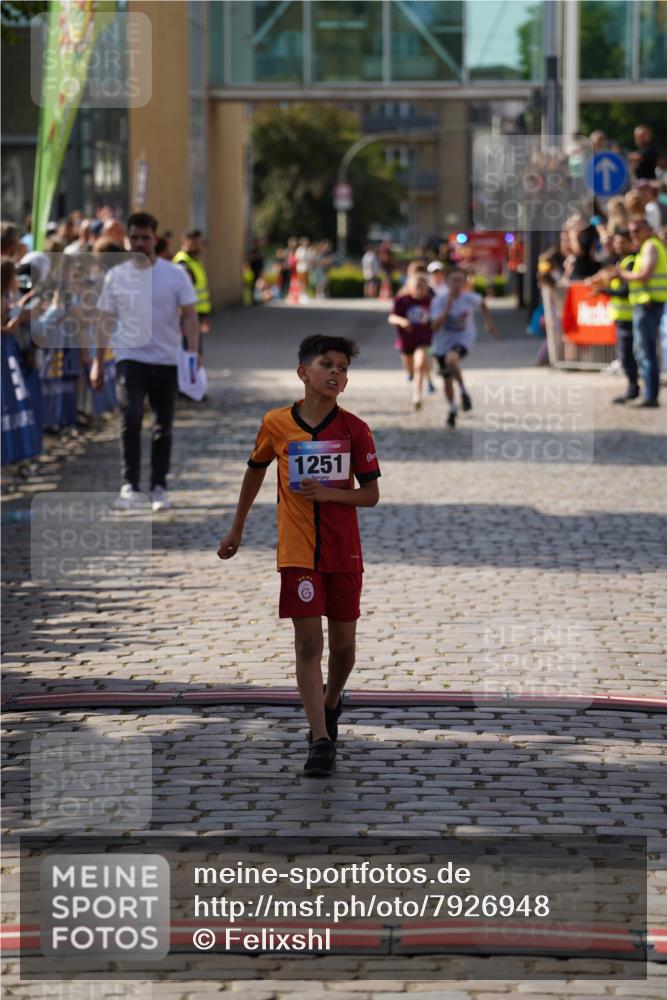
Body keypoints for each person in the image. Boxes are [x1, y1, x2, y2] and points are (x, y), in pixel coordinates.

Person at [216, 334, 381, 777]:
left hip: (344, 552)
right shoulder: (275, 423)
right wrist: (237, 526)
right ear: (303, 372)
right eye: (327, 364)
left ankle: (330, 703)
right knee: (309, 644)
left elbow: (371, 495)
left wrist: (329, 493)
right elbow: (255, 470)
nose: (336, 373)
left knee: (344, 651)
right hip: (297, 552)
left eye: (343, 368)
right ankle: (320, 740)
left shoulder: (355, 429)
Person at [92, 211, 200, 510]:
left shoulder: (175, 274)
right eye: (135, 237)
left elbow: (190, 315)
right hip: (130, 357)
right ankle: (130, 486)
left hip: (166, 359)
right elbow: (104, 320)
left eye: (145, 237)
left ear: (156, 239)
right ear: (128, 239)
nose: (140, 242)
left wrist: (192, 352)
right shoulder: (116, 275)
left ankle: (159, 487)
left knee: (162, 426)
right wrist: (98, 362)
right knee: (130, 420)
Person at [431, 267, 500, 428]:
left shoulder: (469, 298)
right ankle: (452, 409)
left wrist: (488, 322)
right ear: (447, 282)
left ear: (464, 283)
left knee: (451, 360)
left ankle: (463, 392)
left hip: (463, 340)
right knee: (447, 380)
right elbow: (434, 326)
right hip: (441, 344)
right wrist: (446, 311)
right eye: (453, 280)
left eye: (459, 281)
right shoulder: (439, 301)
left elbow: (482, 303)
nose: (456, 284)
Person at [611, 216, 667, 407]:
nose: (634, 234)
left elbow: (644, 276)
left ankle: (650, 395)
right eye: (632, 230)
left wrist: (622, 274)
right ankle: (647, 393)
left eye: (637, 230)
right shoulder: (646, 247)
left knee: (646, 351)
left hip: (648, 305)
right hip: (645, 305)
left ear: (648, 229)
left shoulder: (650, 246)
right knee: (642, 351)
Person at [590, 230, 639, 403]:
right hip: (622, 317)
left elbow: (625, 291)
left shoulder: (631, 262)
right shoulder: (620, 262)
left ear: (630, 243)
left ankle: (635, 389)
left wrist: (603, 290)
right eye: (616, 242)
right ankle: (633, 387)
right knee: (627, 355)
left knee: (629, 356)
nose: (617, 245)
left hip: (630, 317)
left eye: (621, 242)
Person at [388, 269, 433, 411]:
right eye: (417, 286)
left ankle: (417, 397)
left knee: (420, 366)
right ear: (409, 287)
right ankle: (411, 376)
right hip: (406, 341)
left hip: (423, 340)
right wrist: (402, 321)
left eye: (422, 286)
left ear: (427, 288)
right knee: (411, 371)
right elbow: (391, 317)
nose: (420, 289)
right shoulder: (402, 301)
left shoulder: (430, 301)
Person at [173, 229, 212, 340]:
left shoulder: (194, 261)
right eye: (195, 243)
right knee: (189, 351)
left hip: (196, 314)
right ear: (185, 242)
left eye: (200, 243)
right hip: (186, 316)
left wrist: (204, 316)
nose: (199, 247)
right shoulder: (182, 263)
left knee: (194, 350)